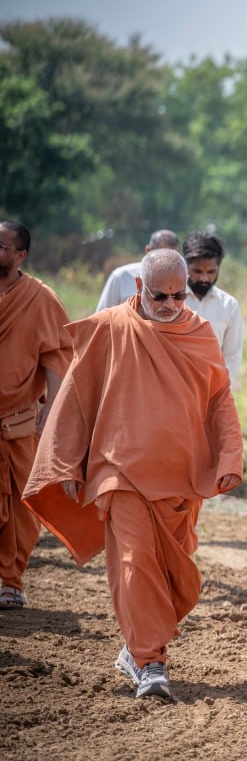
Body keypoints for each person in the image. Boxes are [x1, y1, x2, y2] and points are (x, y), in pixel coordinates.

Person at [24, 249, 242, 700]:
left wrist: (229, 457)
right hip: (118, 470)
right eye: (160, 296)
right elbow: (76, 395)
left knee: (175, 580)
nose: (170, 304)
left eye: (179, 296)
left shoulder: (200, 333)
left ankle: (135, 647)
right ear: (140, 287)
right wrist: (67, 461)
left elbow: (220, 398)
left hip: (181, 476)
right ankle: (149, 662)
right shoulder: (110, 327)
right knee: (135, 563)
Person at [0, 221, 73, 609]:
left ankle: (11, 581)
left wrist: (52, 409)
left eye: (1, 246)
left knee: (20, 508)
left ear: (20, 255)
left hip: (18, 422)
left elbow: (57, 356)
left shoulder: (40, 298)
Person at [182, 231, 244, 385]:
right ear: (185, 266)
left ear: (219, 268)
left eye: (211, 272)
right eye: (197, 271)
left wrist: (221, 390)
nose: (204, 278)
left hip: (214, 389)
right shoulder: (170, 301)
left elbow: (232, 357)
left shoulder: (229, 306)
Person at [95, 229, 180, 310]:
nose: (167, 262)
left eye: (172, 258)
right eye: (162, 256)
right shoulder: (121, 277)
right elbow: (101, 316)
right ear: (148, 250)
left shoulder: (180, 283)